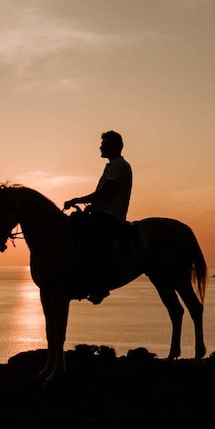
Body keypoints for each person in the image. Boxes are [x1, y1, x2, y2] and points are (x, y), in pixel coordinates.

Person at [64, 130, 133, 304]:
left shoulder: (119, 166)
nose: (100, 147)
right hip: (101, 212)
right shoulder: (110, 166)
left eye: (104, 144)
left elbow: (104, 194)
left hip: (111, 217)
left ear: (115, 147)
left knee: (90, 239)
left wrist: (78, 200)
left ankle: (99, 285)